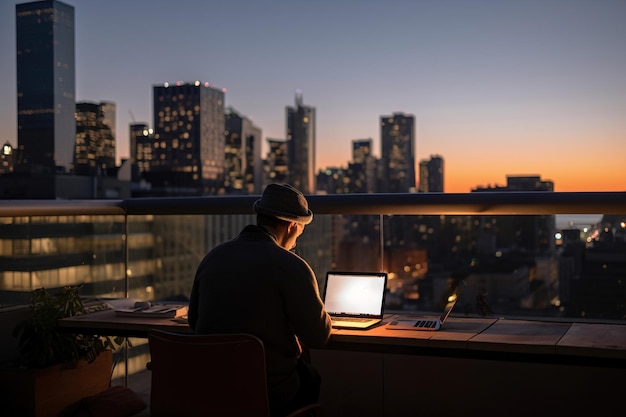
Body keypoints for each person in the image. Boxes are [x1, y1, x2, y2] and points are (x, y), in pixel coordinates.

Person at [188, 183, 332, 416]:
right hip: (270, 393)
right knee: (311, 377)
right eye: (300, 230)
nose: (297, 238)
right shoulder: (292, 266)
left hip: (212, 389)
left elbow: (194, 323)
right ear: (292, 225)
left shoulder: (213, 257)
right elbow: (319, 336)